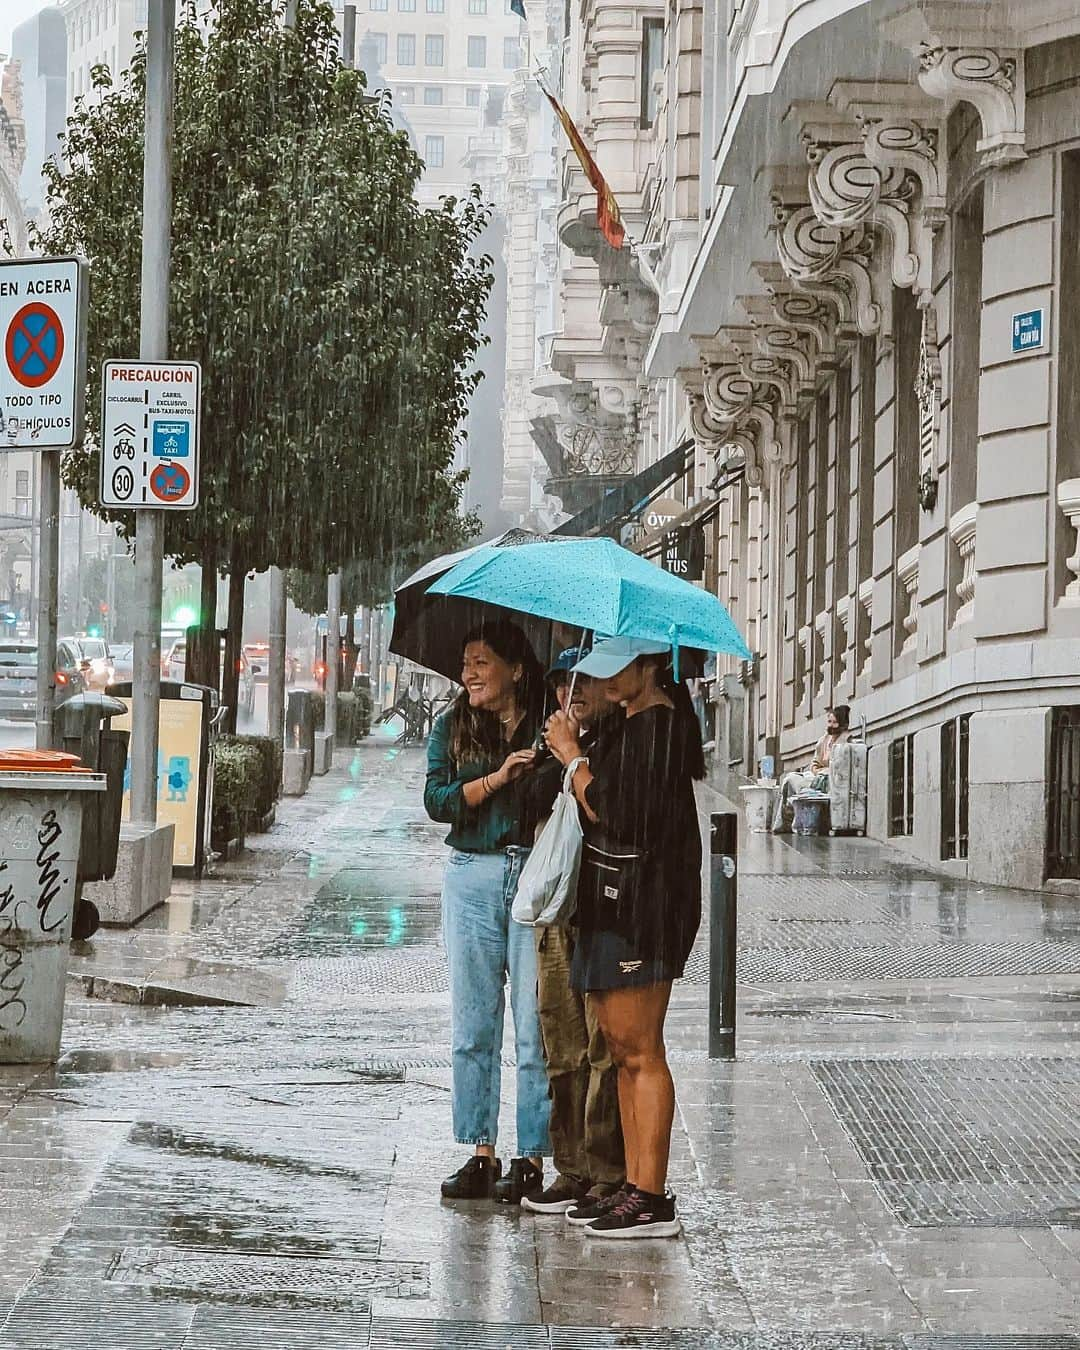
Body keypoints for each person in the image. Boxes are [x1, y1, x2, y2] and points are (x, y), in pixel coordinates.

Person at [545, 635, 705, 1239]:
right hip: (614, 903)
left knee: (641, 1050)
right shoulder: (627, 726)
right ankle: (632, 1188)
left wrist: (573, 760)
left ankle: (650, 1194)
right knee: (620, 1046)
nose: (603, 680)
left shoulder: (659, 728)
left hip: (646, 908)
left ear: (651, 667)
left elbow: (616, 809)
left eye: (618, 669)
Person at [424, 621, 551, 1204]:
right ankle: (479, 1149)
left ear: (515, 669)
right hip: (472, 873)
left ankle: (529, 1156)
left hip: (534, 873)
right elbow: (438, 801)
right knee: (474, 1023)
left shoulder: (548, 723)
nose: (470, 672)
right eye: (466, 662)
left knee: (533, 1023)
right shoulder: (452, 726)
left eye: (482, 662)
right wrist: (498, 778)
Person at [519, 649, 626, 1215]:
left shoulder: (614, 744)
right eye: (567, 682)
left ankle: (607, 1169)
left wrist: (575, 757)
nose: (576, 691)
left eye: (587, 679)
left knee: (602, 1043)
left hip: (601, 913)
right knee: (559, 1038)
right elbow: (529, 803)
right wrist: (556, 757)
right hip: (556, 911)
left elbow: (608, 811)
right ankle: (571, 1165)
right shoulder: (549, 746)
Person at [770, 704, 850, 833]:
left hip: (827, 780)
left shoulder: (845, 741)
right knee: (789, 779)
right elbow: (814, 762)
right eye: (829, 721)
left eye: (835, 722)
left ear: (842, 724)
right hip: (816, 775)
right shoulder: (824, 740)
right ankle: (783, 823)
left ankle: (802, 823)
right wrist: (817, 771)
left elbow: (840, 767)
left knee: (794, 782)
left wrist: (824, 772)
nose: (831, 725)